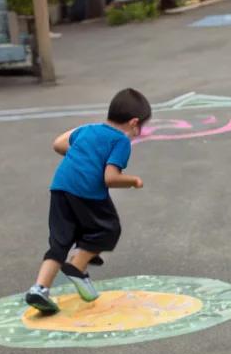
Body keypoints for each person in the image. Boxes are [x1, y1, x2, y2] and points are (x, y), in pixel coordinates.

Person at [25, 87, 151, 315]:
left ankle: (39, 289)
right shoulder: (120, 141)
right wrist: (133, 180)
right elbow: (110, 178)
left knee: (60, 241)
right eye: (140, 127)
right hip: (87, 192)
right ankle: (77, 265)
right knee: (107, 230)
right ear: (134, 123)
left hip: (60, 188)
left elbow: (58, 144)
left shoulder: (88, 130)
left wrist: (86, 151)